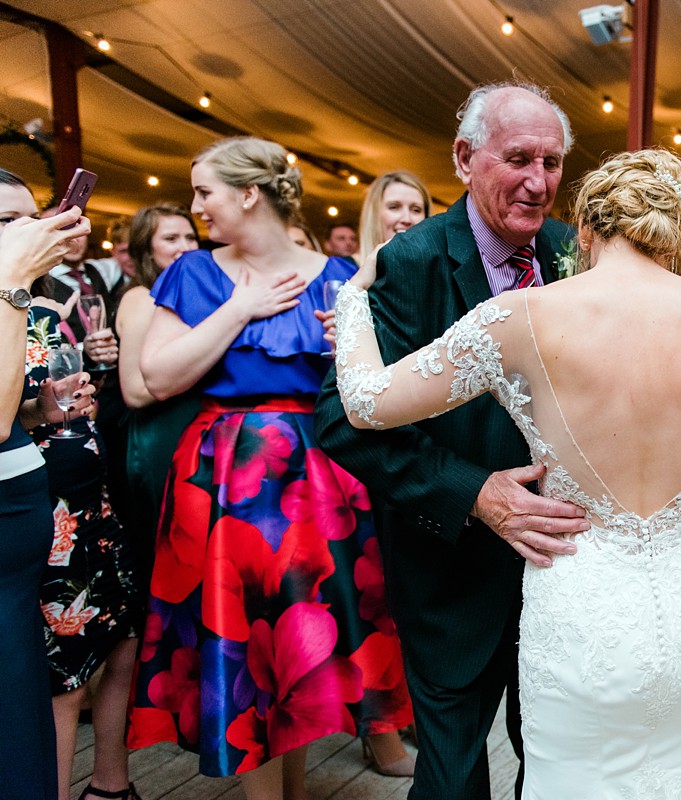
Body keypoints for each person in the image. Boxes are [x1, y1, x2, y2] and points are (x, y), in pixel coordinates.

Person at [331, 145, 681, 798]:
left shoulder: (523, 316)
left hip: (581, 610)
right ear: (675, 231)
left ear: (588, 229)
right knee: (679, 775)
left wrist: (352, 300)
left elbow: (367, 402)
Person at [314, 81, 587, 800]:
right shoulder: (409, 264)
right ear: (465, 158)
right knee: (454, 776)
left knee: (556, 759)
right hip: (451, 568)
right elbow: (343, 421)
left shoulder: (573, 253)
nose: (539, 182)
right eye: (519, 158)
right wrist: (475, 493)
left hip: (565, 567)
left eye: (553, 163)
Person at [126, 137, 414, 797]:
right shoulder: (192, 274)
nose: (196, 205)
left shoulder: (341, 274)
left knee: (297, 648)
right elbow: (159, 376)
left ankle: (293, 789)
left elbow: (379, 389)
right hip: (223, 478)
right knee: (241, 648)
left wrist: (356, 350)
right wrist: (240, 310)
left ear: (249, 193)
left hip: (316, 480)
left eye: (205, 191)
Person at [0, 168, 92, 799]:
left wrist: (45, 409)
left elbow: (11, 415)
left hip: (25, 520)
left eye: (29, 218)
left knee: (21, 696)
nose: (29, 232)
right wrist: (9, 282)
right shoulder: (10, 293)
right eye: (8, 223)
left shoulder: (22, 301)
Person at [115, 203, 201, 600]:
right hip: (160, 437)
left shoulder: (199, 293)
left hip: (196, 431)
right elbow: (134, 390)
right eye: (171, 239)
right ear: (146, 251)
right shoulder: (141, 298)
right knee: (170, 552)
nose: (184, 247)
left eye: (190, 237)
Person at [358, 169, 431, 258]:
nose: (407, 219)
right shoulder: (342, 268)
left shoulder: (443, 270)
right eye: (394, 207)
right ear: (374, 214)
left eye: (416, 210)